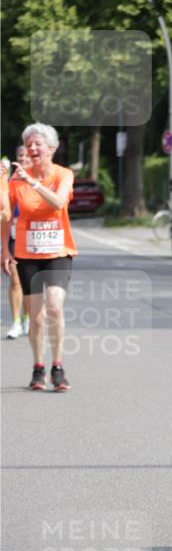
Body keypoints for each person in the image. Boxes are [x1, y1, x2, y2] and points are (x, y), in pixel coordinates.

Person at [1, 123, 77, 390]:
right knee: (36, 316)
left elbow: (58, 202)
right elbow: (6, 214)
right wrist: (4, 248)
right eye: (29, 144)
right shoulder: (15, 180)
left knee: (55, 307)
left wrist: (31, 182)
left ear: (52, 149)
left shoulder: (63, 174)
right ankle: (38, 367)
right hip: (27, 253)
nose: (32, 149)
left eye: (37, 144)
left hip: (58, 251)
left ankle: (57, 366)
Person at [4, 146, 32, 339]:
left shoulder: (39, 179)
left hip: (33, 235)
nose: (23, 158)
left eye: (27, 156)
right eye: (20, 155)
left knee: (29, 282)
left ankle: (27, 317)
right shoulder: (8, 180)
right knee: (15, 279)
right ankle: (15, 322)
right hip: (14, 235)